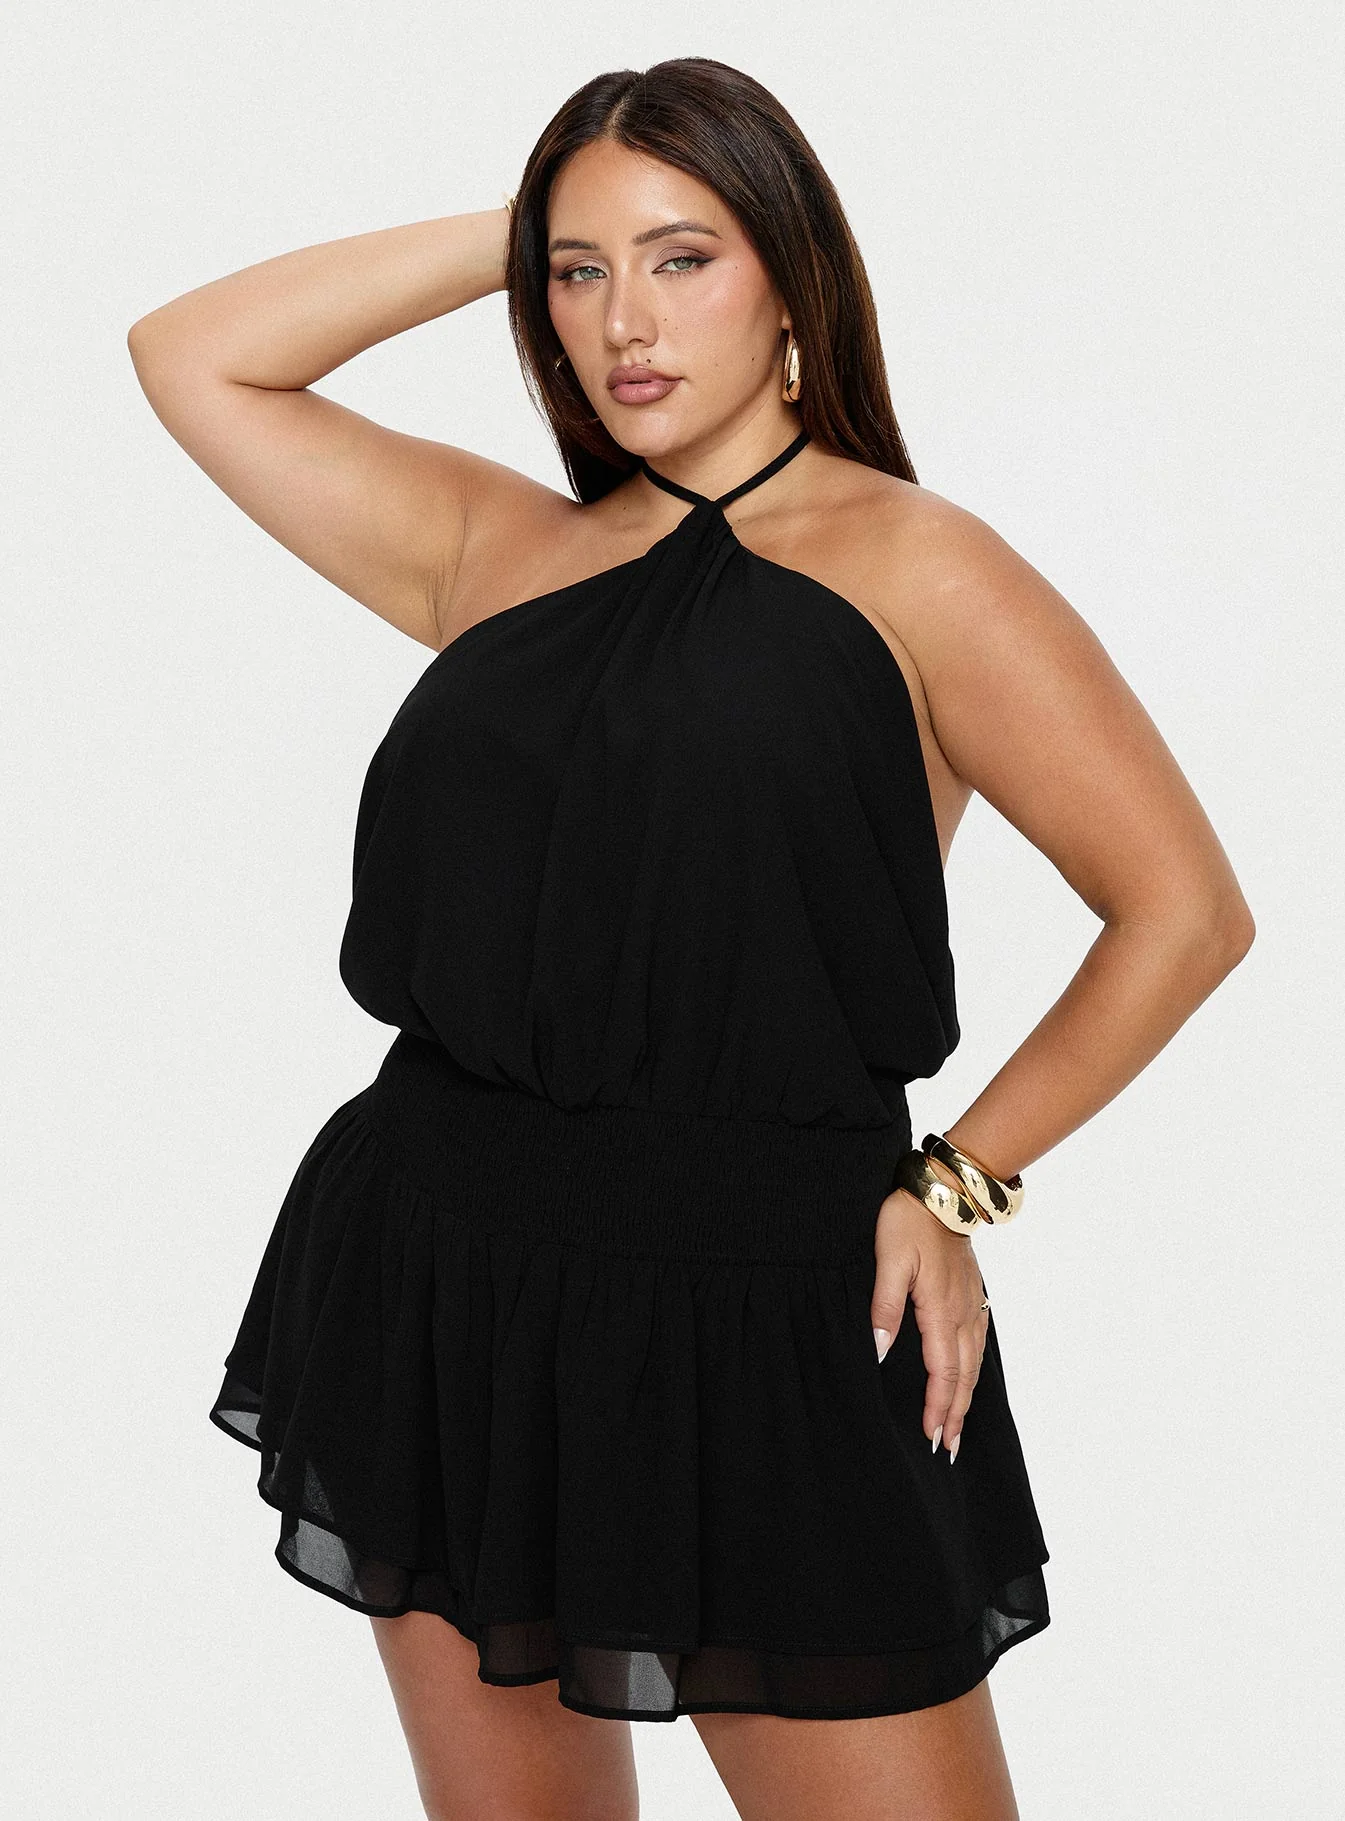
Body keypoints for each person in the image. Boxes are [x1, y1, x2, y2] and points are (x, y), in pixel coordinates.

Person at [127, 55, 1254, 1821]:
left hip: (775, 1303)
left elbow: (1182, 911)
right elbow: (194, 354)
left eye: (683, 257)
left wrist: (959, 1184)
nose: (623, 323)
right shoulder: (497, 548)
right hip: (447, 1264)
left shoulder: (920, 568)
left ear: (793, 278)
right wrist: (517, 222)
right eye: (579, 274)